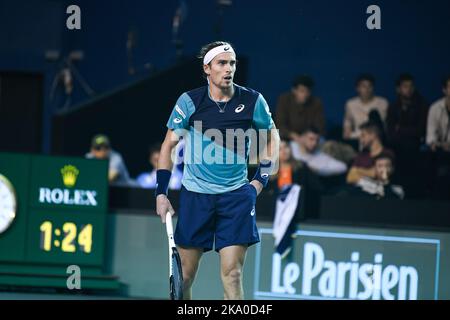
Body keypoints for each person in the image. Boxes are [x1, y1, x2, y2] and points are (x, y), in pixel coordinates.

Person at [155, 41, 279, 300]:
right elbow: (168, 145)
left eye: (232, 63)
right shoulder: (189, 102)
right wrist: (161, 193)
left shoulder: (253, 100)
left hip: (235, 198)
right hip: (196, 196)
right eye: (222, 63)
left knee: (233, 274)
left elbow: (272, 139)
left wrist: (259, 181)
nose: (229, 68)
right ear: (207, 68)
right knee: (185, 277)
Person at [275, 75, 326, 141]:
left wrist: (307, 137)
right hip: (287, 138)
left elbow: (319, 126)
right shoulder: (284, 100)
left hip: (309, 138)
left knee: (322, 141)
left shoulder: (316, 103)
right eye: (302, 91)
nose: (305, 95)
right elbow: (280, 124)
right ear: (294, 90)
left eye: (308, 91)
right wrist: (292, 135)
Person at [386, 74, 428, 150]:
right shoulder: (393, 106)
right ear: (398, 89)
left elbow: (420, 130)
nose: (409, 89)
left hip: (415, 143)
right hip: (396, 143)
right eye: (405, 86)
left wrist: (399, 129)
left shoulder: (422, 105)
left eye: (411, 86)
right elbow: (390, 130)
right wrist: (408, 130)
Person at [343, 74, 388, 140]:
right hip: (358, 139)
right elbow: (347, 125)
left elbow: (386, 126)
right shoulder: (350, 104)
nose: (367, 89)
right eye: (363, 86)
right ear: (357, 88)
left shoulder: (383, 103)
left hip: (378, 140)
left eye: (370, 86)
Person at [426, 75, 450, 151]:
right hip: (440, 149)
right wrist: (434, 143)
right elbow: (431, 133)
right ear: (444, 90)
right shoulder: (435, 108)